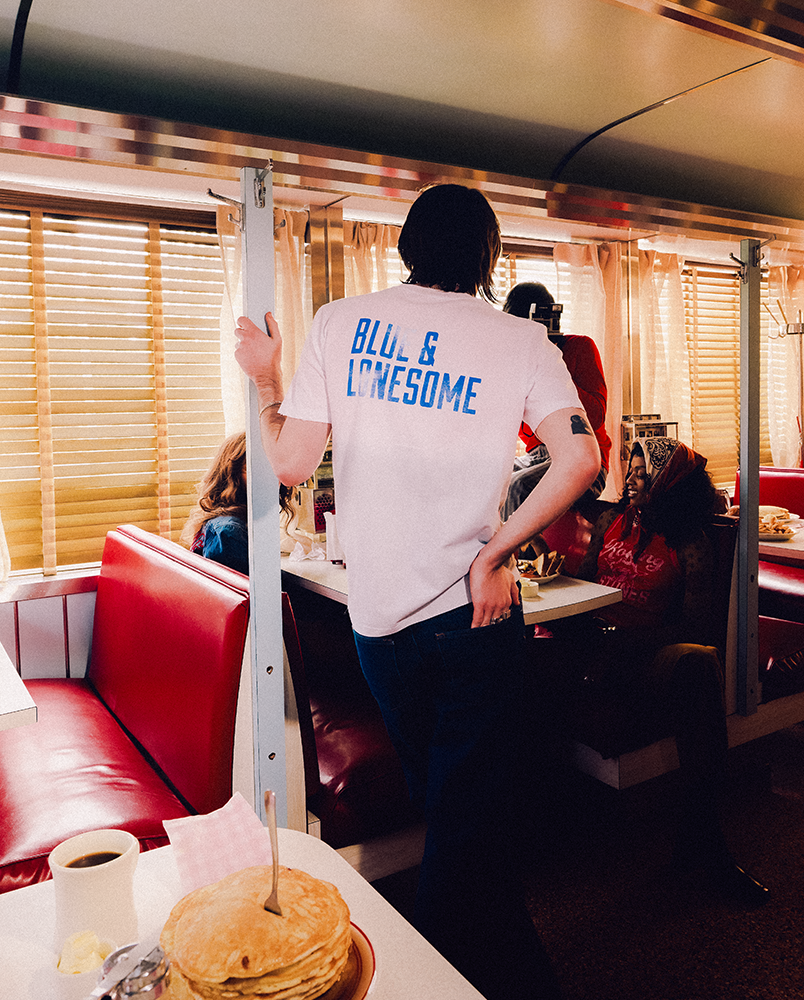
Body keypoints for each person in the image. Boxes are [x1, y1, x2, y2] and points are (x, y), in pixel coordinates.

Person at [234, 183, 600, 1000]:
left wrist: (265, 381)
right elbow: (580, 460)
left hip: (379, 629)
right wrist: (497, 550)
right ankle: (431, 979)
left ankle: (507, 967)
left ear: (405, 247)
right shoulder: (521, 339)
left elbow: (287, 465)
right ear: (488, 257)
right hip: (473, 620)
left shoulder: (338, 322)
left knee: (456, 810)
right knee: (465, 819)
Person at [534, 435, 769, 907]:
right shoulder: (610, 521)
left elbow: (694, 627)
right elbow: (580, 586)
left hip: (645, 651)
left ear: (671, 481)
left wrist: (623, 644)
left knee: (697, 663)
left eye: (645, 470)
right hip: (589, 645)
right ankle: (538, 832)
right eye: (632, 467)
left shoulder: (691, 543)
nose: (634, 476)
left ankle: (704, 845)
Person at [500, 282, 611, 520]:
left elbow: (596, 415)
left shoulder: (580, 347)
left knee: (517, 487)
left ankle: (518, 557)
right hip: (539, 455)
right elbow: (525, 431)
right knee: (490, 479)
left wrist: (553, 362)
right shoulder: (519, 361)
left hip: (586, 457)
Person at [180, 430, 297, 574]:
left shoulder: (226, 522)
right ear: (231, 475)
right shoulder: (229, 532)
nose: (270, 477)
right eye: (255, 469)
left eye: (274, 467)